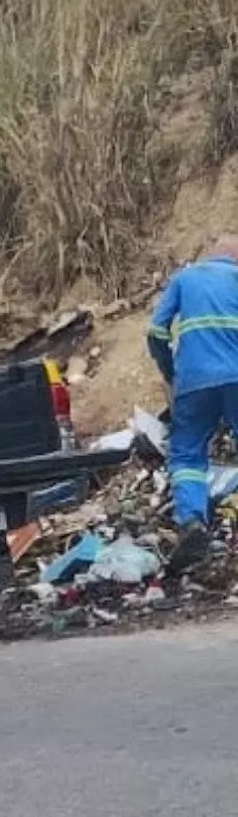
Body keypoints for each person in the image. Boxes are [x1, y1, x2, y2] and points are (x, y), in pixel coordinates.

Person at [147, 237, 238, 575]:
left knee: (186, 455)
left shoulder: (185, 278)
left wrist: (171, 373)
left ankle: (192, 523)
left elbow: (156, 331)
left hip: (194, 380)